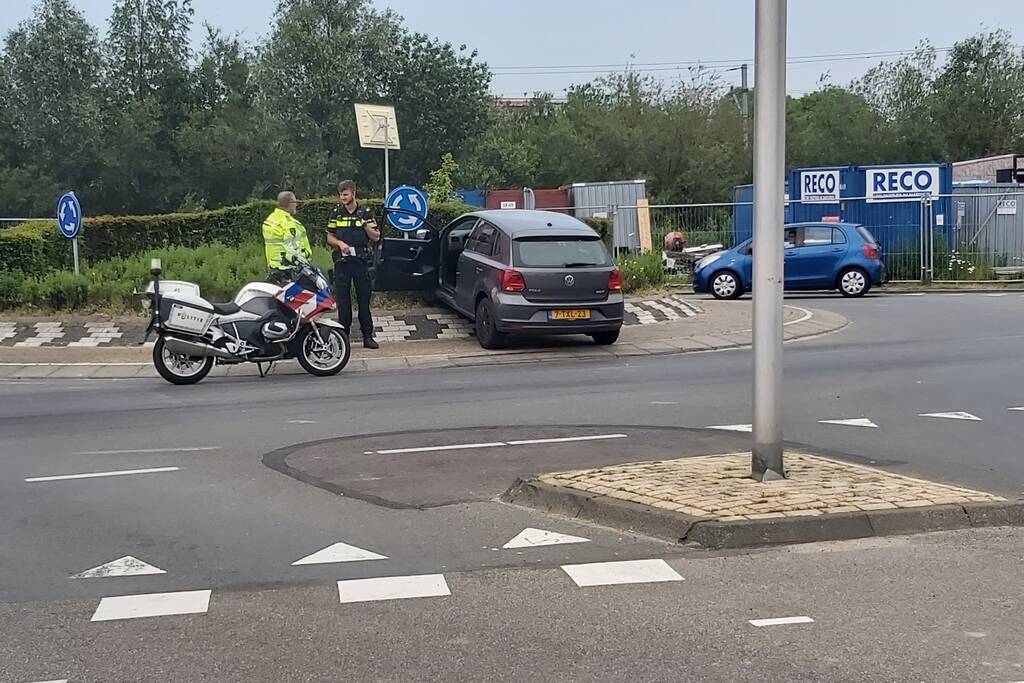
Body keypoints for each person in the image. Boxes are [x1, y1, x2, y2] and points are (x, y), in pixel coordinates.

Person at [326, 179, 381, 349]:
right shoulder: (336, 213)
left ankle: (367, 336)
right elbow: (329, 236)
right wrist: (340, 244)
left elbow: (376, 236)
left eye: (345, 194)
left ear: (353, 194)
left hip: (361, 261)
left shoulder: (365, 212)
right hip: (342, 262)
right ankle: (344, 337)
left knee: (363, 300)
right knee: (343, 301)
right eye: (341, 195)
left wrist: (364, 224)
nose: (342, 198)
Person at [263, 191, 311, 286]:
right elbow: (293, 250)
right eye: (295, 202)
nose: (296, 204)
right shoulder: (288, 224)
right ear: (290, 203)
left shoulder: (270, 219)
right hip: (289, 270)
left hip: (274, 268)